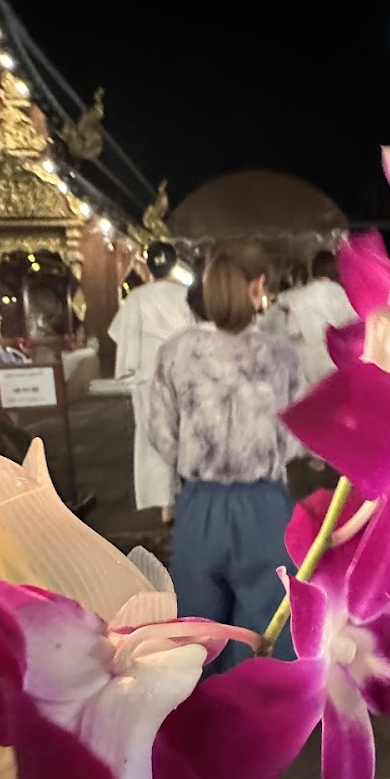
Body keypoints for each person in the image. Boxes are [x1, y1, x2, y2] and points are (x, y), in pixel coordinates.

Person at [148, 248, 304, 669]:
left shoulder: (175, 353)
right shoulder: (282, 356)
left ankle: (203, 722)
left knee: (199, 629)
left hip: (200, 504)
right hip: (265, 504)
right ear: (258, 288)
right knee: (268, 626)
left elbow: (161, 433)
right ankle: (259, 721)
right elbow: (294, 439)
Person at [108, 242, 193, 524]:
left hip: (149, 375)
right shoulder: (187, 295)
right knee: (187, 433)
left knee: (151, 437)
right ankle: (192, 494)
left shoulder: (136, 299)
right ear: (173, 264)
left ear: (148, 265)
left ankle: (164, 504)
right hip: (182, 371)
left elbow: (122, 334)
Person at [262, 250, 357, 391]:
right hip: (338, 361)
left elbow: (292, 331)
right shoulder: (345, 296)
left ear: (313, 270)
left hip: (311, 365)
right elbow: (355, 327)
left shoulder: (299, 298)